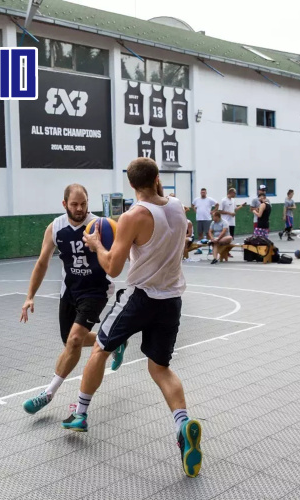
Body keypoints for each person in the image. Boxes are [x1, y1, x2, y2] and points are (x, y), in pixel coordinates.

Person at [62, 158, 202, 479]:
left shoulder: (132, 217)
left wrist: (96, 244)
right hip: (172, 299)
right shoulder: (179, 207)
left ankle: (80, 413)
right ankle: (182, 426)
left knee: (99, 348)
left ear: (129, 184)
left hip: (140, 297)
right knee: (160, 368)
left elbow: (112, 267)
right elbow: (163, 207)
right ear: (157, 179)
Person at [20, 184, 118, 415]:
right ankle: (113, 341)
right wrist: (30, 296)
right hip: (70, 290)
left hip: (96, 290)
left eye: (83, 203)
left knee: (74, 340)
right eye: (74, 204)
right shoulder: (55, 228)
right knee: (69, 340)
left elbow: (118, 256)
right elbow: (42, 263)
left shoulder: (100, 226)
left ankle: (48, 393)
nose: (80, 208)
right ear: (64, 204)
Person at [192, 188, 218, 254]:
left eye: (204, 192)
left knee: (208, 234)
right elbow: (192, 205)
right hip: (199, 219)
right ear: (200, 193)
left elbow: (217, 205)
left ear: (206, 193)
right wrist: (195, 210)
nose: (203, 193)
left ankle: (210, 249)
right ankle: (200, 249)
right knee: (200, 234)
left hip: (207, 219)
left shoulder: (209, 199)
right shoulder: (196, 200)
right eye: (202, 192)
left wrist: (213, 211)